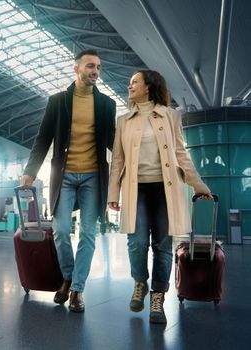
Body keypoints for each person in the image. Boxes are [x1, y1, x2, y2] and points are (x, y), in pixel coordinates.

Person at [107, 70, 212, 324]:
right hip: (137, 189)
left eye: (134, 82)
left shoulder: (171, 115)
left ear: (149, 86)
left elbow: (180, 153)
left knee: (163, 246)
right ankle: (140, 281)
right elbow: (118, 159)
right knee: (137, 242)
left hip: (166, 189)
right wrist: (113, 193)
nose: (129, 85)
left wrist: (198, 184)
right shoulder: (124, 121)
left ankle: (158, 296)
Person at [21, 49, 116, 312]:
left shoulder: (107, 105)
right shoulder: (58, 101)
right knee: (61, 231)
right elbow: (43, 139)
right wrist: (30, 172)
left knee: (88, 232)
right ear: (76, 69)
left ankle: (76, 290)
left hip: (93, 178)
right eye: (90, 66)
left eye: (98, 67)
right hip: (63, 176)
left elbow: (113, 143)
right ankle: (67, 275)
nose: (95, 71)